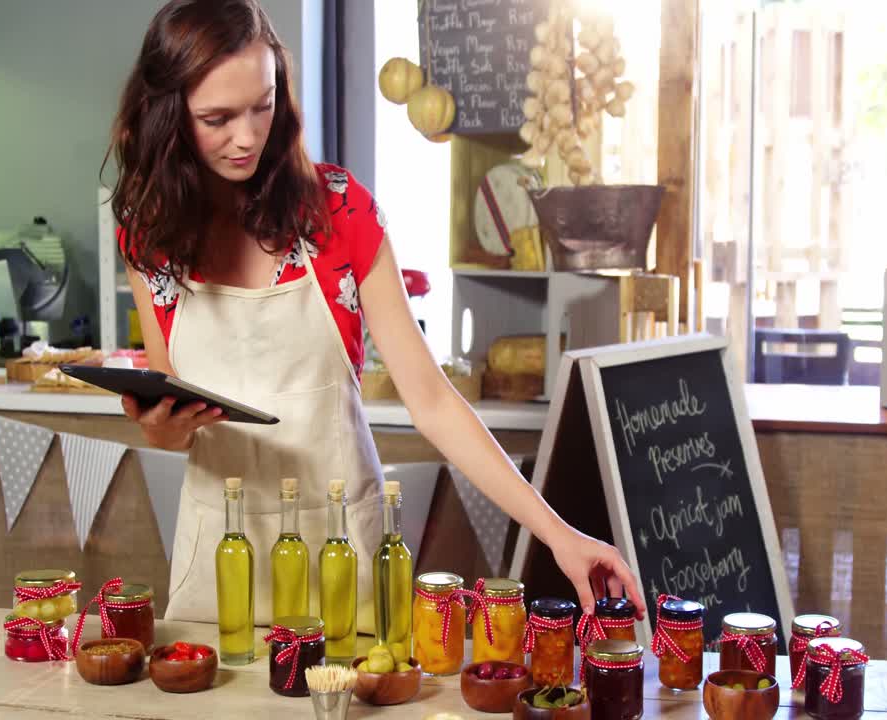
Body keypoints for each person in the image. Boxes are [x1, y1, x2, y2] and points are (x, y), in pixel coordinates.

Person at [108, 0, 643, 630]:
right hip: (222, 566)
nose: (248, 135)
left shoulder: (338, 212)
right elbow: (173, 409)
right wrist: (164, 430)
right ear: (169, 117)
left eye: (263, 104)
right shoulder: (149, 238)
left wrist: (558, 534)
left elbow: (433, 400)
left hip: (344, 560)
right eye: (217, 118)